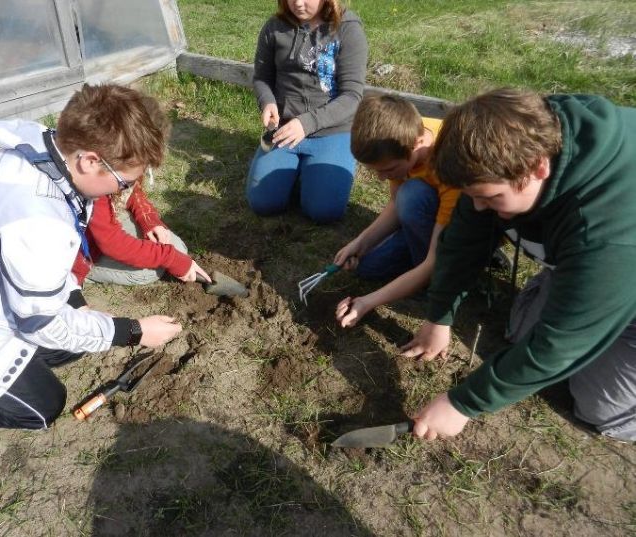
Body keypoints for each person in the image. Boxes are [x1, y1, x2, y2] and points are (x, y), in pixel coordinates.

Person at [0, 83, 184, 429]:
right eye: (124, 182)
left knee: (80, 335)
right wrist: (133, 331)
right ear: (89, 161)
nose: (126, 190)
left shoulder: (36, 154)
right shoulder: (38, 222)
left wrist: (74, 299)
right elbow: (44, 323)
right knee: (43, 405)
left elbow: (45, 273)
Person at [401, 88, 636, 442]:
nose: (479, 208)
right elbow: (462, 244)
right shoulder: (505, 151)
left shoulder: (605, 232)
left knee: (600, 408)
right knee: (520, 336)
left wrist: (464, 403)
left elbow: (560, 344)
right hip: (596, 265)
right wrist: (439, 318)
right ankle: (577, 289)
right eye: (473, 196)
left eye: (491, 197)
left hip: (619, 261)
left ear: (538, 167)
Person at [333, 94, 461, 327]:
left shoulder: (448, 163)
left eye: (389, 169)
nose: (382, 178)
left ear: (418, 143)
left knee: (412, 194)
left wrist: (368, 302)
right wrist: (360, 243)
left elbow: (433, 256)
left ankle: (434, 281)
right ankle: (415, 266)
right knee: (366, 267)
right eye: (376, 172)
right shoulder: (396, 139)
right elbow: (396, 206)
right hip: (426, 217)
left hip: (457, 227)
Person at [245, 0, 368, 223]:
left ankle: (321, 169)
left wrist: (307, 123)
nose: (298, 4)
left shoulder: (348, 28)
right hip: (285, 128)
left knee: (324, 211)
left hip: (333, 129)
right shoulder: (274, 26)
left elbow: (352, 96)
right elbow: (262, 77)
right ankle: (296, 172)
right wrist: (268, 102)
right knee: (263, 203)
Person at [70, 94, 210, 287]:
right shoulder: (91, 182)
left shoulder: (118, 160)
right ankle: (85, 270)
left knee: (176, 248)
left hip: (106, 220)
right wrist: (169, 259)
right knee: (148, 273)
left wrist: (149, 221)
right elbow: (111, 241)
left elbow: (132, 191)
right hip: (79, 246)